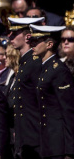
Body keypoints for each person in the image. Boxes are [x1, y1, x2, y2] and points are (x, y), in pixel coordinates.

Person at [29, 24, 74, 159]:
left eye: (37, 42)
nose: (33, 45)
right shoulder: (44, 68)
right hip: (47, 142)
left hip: (58, 145)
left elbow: (68, 111)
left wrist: (70, 151)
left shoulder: (59, 70)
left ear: (49, 44)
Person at [7, 17, 44, 159]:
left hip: (34, 133)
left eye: (15, 33)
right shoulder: (25, 62)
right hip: (25, 132)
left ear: (27, 36)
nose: (10, 36)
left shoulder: (34, 63)